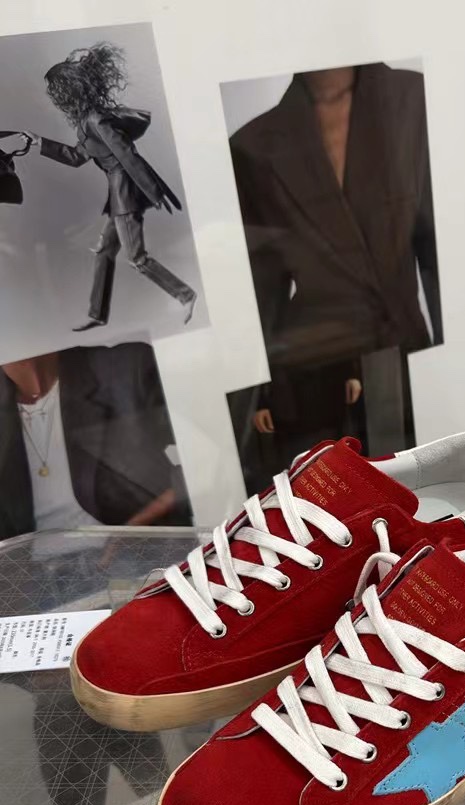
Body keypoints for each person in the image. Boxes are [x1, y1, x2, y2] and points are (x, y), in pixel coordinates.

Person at [228, 62, 441, 481]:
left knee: (423, 491)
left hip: (409, 354)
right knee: (338, 495)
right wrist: (262, 396)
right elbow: (260, 295)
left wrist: (452, 362)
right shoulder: (252, 146)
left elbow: (438, 248)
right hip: (315, 370)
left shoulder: (413, 96)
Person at [21, 42, 197, 331]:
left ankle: (185, 295)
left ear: (67, 91)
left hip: (125, 193)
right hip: (117, 194)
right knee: (104, 252)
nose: (54, 96)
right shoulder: (85, 122)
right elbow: (76, 157)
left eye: (55, 90)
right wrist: (40, 143)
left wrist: (154, 191)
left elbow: (127, 154)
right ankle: (97, 314)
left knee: (137, 259)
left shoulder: (96, 120)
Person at [0, 342, 190, 540]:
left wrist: (136, 527)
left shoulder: (126, 369)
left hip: (135, 547)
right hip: (29, 558)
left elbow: (203, 458)